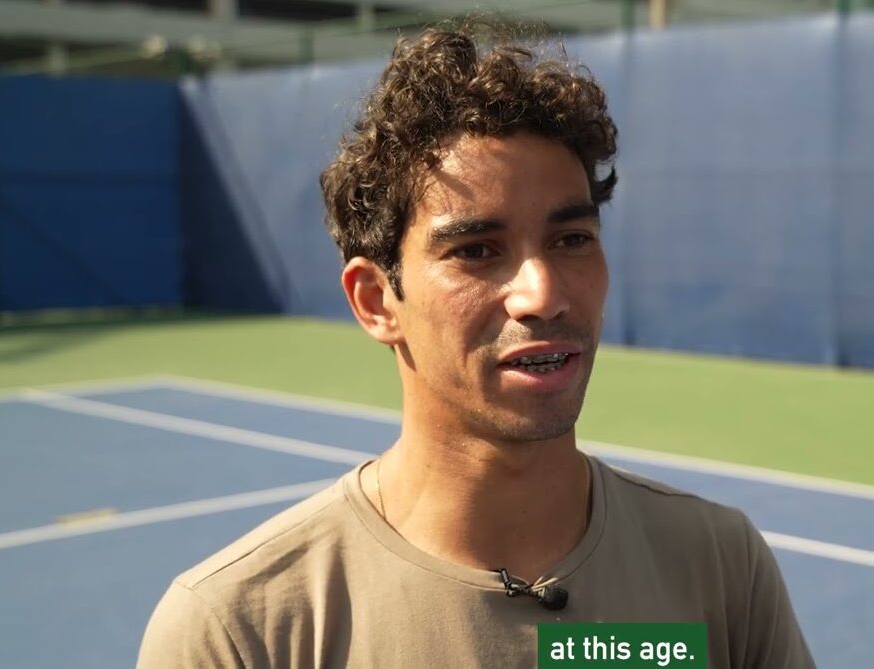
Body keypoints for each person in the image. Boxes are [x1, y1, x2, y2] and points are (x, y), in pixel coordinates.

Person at [137, 27, 815, 669]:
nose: (541, 293)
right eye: (477, 251)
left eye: (571, 239)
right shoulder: (239, 630)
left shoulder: (721, 567)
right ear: (376, 301)